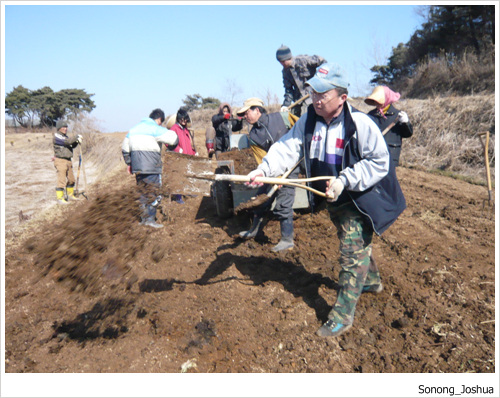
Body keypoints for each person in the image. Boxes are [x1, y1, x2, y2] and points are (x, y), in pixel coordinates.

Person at [245, 64, 406, 337]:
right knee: (354, 245)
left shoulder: (360, 124)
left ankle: (342, 315)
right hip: (329, 197)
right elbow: (287, 148)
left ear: (342, 98)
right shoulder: (309, 121)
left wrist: (345, 179)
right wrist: (264, 169)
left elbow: (380, 162)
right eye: (313, 94)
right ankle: (372, 281)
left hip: (358, 199)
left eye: (323, 95)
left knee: (350, 254)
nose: (316, 100)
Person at [236, 97, 300, 252]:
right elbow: (261, 160)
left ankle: (287, 240)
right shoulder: (253, 136)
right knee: (260, 199)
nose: (245, 117)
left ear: (257, 110)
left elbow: (302, 128)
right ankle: (254, 230)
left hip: (290, 167)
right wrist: (271, 178)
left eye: (246, 113)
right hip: (271, 171)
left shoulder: (281, 117)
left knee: (283, 203)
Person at [121, 108, 178, 228]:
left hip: (138, 168)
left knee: (143, 192)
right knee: (153, 192)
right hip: (152, 167)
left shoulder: (133, 130)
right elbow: (173, 139)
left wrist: (129, 163)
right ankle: (150, 220)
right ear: (159, 120)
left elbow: (125, 148)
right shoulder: (155, 129)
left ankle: (143, 219)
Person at [365, 86, 413, 167]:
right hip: (373, 157)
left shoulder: (398, 116)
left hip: (391, 157)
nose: (377, 103)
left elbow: (407, 134)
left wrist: (406, 123)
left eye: (379, 101)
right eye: (375, 101)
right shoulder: (371, 115)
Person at [276, 45, 327, 117]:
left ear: (288, 58)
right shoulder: (285, 72)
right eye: (280, 62)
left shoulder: (303, 60)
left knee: (306, 118)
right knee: (290, 119)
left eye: (283, 62)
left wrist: (321, 80)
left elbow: (322, 62)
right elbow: (288, 91)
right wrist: (285, 105)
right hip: (298, 101)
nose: (282, 64)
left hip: (312, 97)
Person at [53, 120, 83, 204]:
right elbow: (68, 142)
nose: (65, 128)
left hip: (68, 160)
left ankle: (70, 195)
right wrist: (76, 137)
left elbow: (71, 145)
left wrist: (77, 142)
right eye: (63, 127)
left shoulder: (65, 137)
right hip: (60, 160)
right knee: (61, 180)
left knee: (71, 179)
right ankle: (60, 198)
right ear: (59, 128)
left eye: (66, 127)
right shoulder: (57, 137)